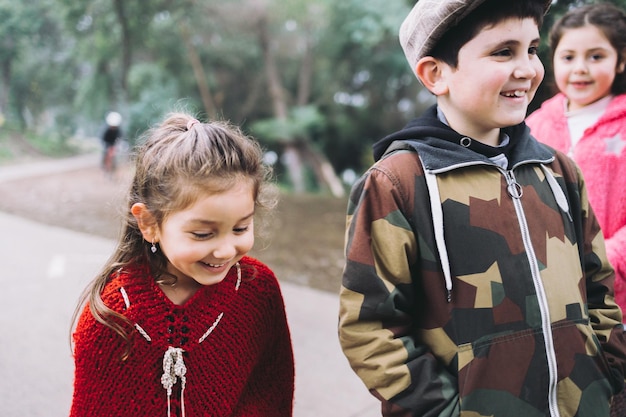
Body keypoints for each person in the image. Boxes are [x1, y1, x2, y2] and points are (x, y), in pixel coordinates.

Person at [337, 0, 626, 416]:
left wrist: (607, 376)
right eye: (503, 52)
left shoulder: (560, 171)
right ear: (436, 74)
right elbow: (371, 329)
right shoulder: (397, 183)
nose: (527, 68)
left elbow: (600, 288)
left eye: (531, 49)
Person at [70, 113, 294, 417]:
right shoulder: (111, 318)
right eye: (203, 234)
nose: (226, 249)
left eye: (241, 228)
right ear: (149, 223)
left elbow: (270, 396)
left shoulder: (258, 292)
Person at [526, 2, 626, 323]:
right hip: (551, 296)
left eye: (596, 56)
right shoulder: (533, 126)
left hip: (618, 295)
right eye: (568, 57)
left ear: (620, 60)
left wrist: (606, 259)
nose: (580, 68)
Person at [101, 111, 123, 176]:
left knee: (115, 156)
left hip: (114, 145)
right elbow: (103, 139)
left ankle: (114, 169)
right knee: (105, 154)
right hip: (107, 144)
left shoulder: (118, 130)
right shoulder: (106, 130)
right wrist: (107, 146)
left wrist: (117, 145)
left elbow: (120, 138)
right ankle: (104, 166)